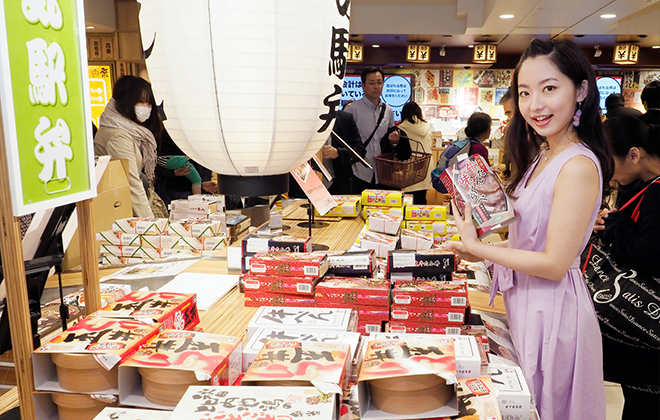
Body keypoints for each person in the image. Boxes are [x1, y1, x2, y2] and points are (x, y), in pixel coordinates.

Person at [447, 39, 613, 420]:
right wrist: (479, 247)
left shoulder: (577, 165)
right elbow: (533, 236)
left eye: (549, 88)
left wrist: (481, 246)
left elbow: (554, 262)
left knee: (543, 407)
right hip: (527, 300)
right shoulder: (545, 153)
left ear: (581, 91)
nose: (535, 104)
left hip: (552, 310)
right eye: (525, 92)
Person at [593, 116, 660, 419]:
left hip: (649, 330)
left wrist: (614, 223)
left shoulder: (656, 193)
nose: (607, 172)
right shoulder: (640, 185)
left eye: (610, 162)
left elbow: (650, 255)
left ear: (634, 154)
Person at [94, 76, 163, 217]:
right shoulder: (118, 135)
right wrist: (149, 221)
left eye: (149, 103)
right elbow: (131, 182)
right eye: (141, 101)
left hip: (117, 204)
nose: (146, 108)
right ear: (126, 101)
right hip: (118, 208)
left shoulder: (126, 131)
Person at [344, 67, 408, 192]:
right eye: (371, 83)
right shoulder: (352, 109)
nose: (376, 87)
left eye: (379, 83)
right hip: (358, 172)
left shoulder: (388, 110)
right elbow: (345, 142)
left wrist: (394, 142)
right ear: (363, 86)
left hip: (382, 173)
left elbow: (388, 141)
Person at [155, 128, 218, 207]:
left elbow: (205, 164)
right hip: (166, 189)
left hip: (187, 190)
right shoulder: (164, 134)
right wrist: (171, 173)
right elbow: (153, 165)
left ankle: (197, 206)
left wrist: (203, 183)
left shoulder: (198, 137)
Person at [397, 102, 433, 204]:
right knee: (421, 199)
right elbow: (430, 144)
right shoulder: (427, 127)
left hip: (409, 169)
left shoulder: (400, 128)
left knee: (407, 203)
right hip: (425, 168)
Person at [321, 110, 363, 194]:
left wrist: (339, 153)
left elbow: (360, 151)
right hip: (308, 182)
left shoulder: (345, 118)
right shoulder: (303, 119)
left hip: (338, 183)